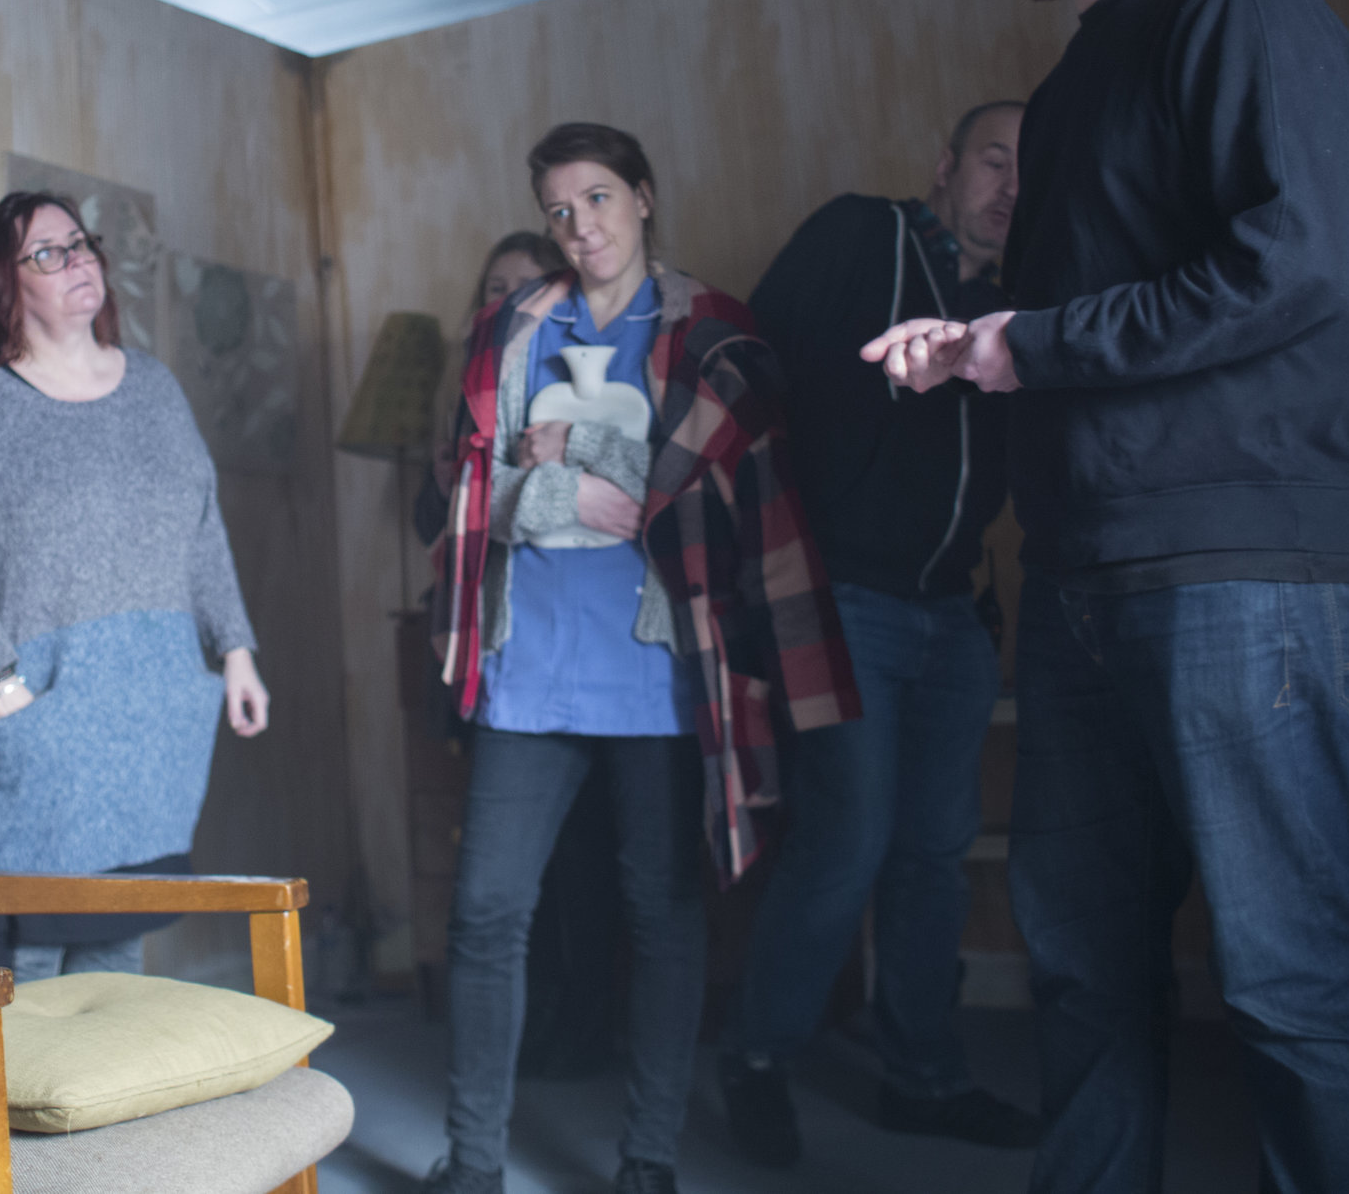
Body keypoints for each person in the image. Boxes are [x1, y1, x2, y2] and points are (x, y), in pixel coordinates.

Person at [866, 0, 1349, 1192]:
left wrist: (1023, 342)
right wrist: (984, 342)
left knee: (1287, 978)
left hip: (1243, 575)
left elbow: (1298, 268)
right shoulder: (1082, 69)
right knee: (1086, 978)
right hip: (1091, 582)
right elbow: (1091, 322)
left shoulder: (1240, 8)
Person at [424, 123, 858, 1194]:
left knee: (660, 911)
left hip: (657, 671)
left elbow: (710, 482)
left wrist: (579, 447)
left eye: (600, 199)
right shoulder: (511, 329)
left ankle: (648, 1158)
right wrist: (561, 490)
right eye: (560, 210)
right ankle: (472, 1162)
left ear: (645, 198)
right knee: (485, 908)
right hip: (527, 668)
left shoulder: (713, 329)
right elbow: (470, 490)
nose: (582, 227)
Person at [722, 100, 1038, 1165]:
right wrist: (766, 562)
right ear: (944, 165)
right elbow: (745, 367)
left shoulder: (1020, 300)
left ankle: (923, 1076)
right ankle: (756, 1057)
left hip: (955, 610)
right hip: (842, 596)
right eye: (994, 160)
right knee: (847, 839)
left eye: (1027, 173)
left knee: (932, 855)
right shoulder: (864, 233)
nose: (1009, 186)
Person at [0, 189, 269, 981]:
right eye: (49, 252)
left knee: (118, 950)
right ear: (7, 281)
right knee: (23, 961)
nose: (80, 262)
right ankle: (15, 1112)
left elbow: (201, 526)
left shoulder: (155, 387)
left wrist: (235, 648)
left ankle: (102, 1113)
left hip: (148, 720)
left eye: (83, 243)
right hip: (32, 718)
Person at [415, 231, 564, 547]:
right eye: (497, 288)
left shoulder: (570, 372)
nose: (509, 300)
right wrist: (443, 490)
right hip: (481, 572)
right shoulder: (462, 379)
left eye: (527, 288)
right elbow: (427, 527)